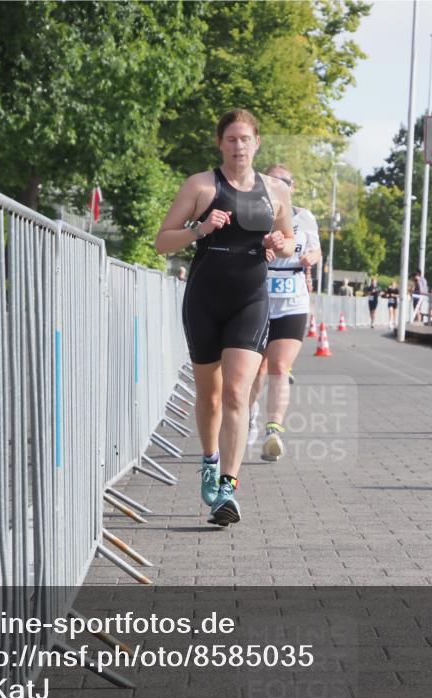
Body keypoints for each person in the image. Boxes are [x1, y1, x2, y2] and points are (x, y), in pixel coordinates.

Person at [155, 109, 295, 526]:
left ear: (257, 143)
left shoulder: (276, 191)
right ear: (220, 143)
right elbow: (163, 241)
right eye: (231, 139)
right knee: (211, 396)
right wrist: (199, 229)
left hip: (250, 297)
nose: (238, 146)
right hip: (204, 298)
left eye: (245, 139)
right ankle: (211, 460)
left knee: (237, 391)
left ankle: (228, 491)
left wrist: (279, 243)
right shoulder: (200, 185)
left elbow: (288, 243)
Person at [246, 164, 321, 461]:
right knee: (257, 369)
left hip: (293, 301)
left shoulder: (306, 217)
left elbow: (316, 250)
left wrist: (309, 258)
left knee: (279, 367)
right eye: (272, 181)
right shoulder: (253, 215)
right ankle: (249, 419)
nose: (279, 185)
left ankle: (273, 431)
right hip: (258, 299)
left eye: (284, 181)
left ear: (293, 186)